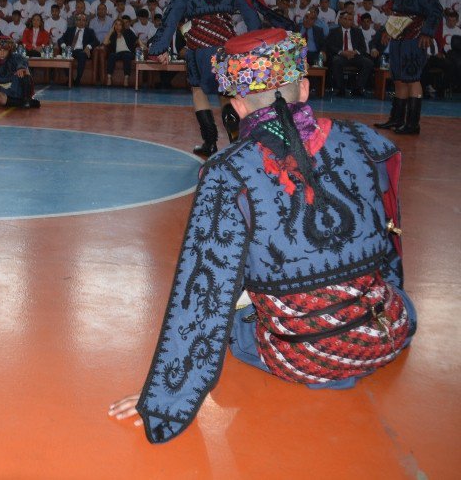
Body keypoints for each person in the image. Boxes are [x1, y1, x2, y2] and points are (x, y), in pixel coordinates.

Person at [109, 28, 416, 444]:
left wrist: (164, 399)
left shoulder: (228, 171)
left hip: (305, 356)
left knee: (234, 312)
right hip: (384, 332)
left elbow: (202, 295)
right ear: (304, 89)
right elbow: (389, 242)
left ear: (236, 105)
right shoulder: (365, 140)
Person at [147, 0, 287, 158]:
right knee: (227, 94)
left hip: (198, 49)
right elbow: (252, 16)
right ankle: (234, 142)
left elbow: (171, 17)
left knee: (198, 91)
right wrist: (259, 45)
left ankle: (209, 143)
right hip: (226, 49)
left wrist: (159, 48)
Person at [373, 0, 443, 136]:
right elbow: (396, 12)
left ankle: (413, 124)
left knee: (412, 78)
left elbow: (435, 11)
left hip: (415, 38)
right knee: (398, 77)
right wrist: (387, 31)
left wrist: (427, 32)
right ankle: (396, 119)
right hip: (398, 38)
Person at [0, 35, 39, 109]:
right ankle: (25, 103)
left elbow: (22, 61)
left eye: (5, 50)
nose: (2, 53)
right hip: (4, 91)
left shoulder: (15, 57)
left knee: (25, 71)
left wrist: (21, 68)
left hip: (17, 88)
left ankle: (26, 99)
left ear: (9, 50)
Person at [325, 10, 373, 96]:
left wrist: (355, 52)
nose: (347, 21)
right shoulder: (334, 31)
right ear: (341, 20)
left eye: (350, 19)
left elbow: (363, 47)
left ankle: (357, 88)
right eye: (345, 19)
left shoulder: (358, 31)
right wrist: (342, 52)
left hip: (355, 55)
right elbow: (330, 46)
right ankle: (341, 89)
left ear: (352, 21)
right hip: (341, 55)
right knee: (336, 61)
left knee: (368, 62)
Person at [60, 13, 99, 86]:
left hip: (82, 50)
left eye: (83, 20)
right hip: (70, 50)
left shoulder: (89, 31)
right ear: (75, 21)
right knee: (65, 55)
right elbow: (61, 39)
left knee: (82, 55)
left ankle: (77, 80)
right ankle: (70, 79)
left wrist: (88, 46)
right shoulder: (70, 29)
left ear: (86, 22)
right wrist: (64, 46)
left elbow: (96, 41)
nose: (81, 22)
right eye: (79, 20)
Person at [104, 17, 137, 86]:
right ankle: (109, 77)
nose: (118, 26)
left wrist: (144, 47)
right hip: (117, 53)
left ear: (122, 26)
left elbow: (137, 40)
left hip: (127, 52)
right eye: (116, 24)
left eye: (119, 24)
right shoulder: (113, 35)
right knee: (111, 55)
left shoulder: (128, 32)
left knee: (126, 56)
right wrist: (111, 30)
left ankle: (126, 78)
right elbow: (105, 43)